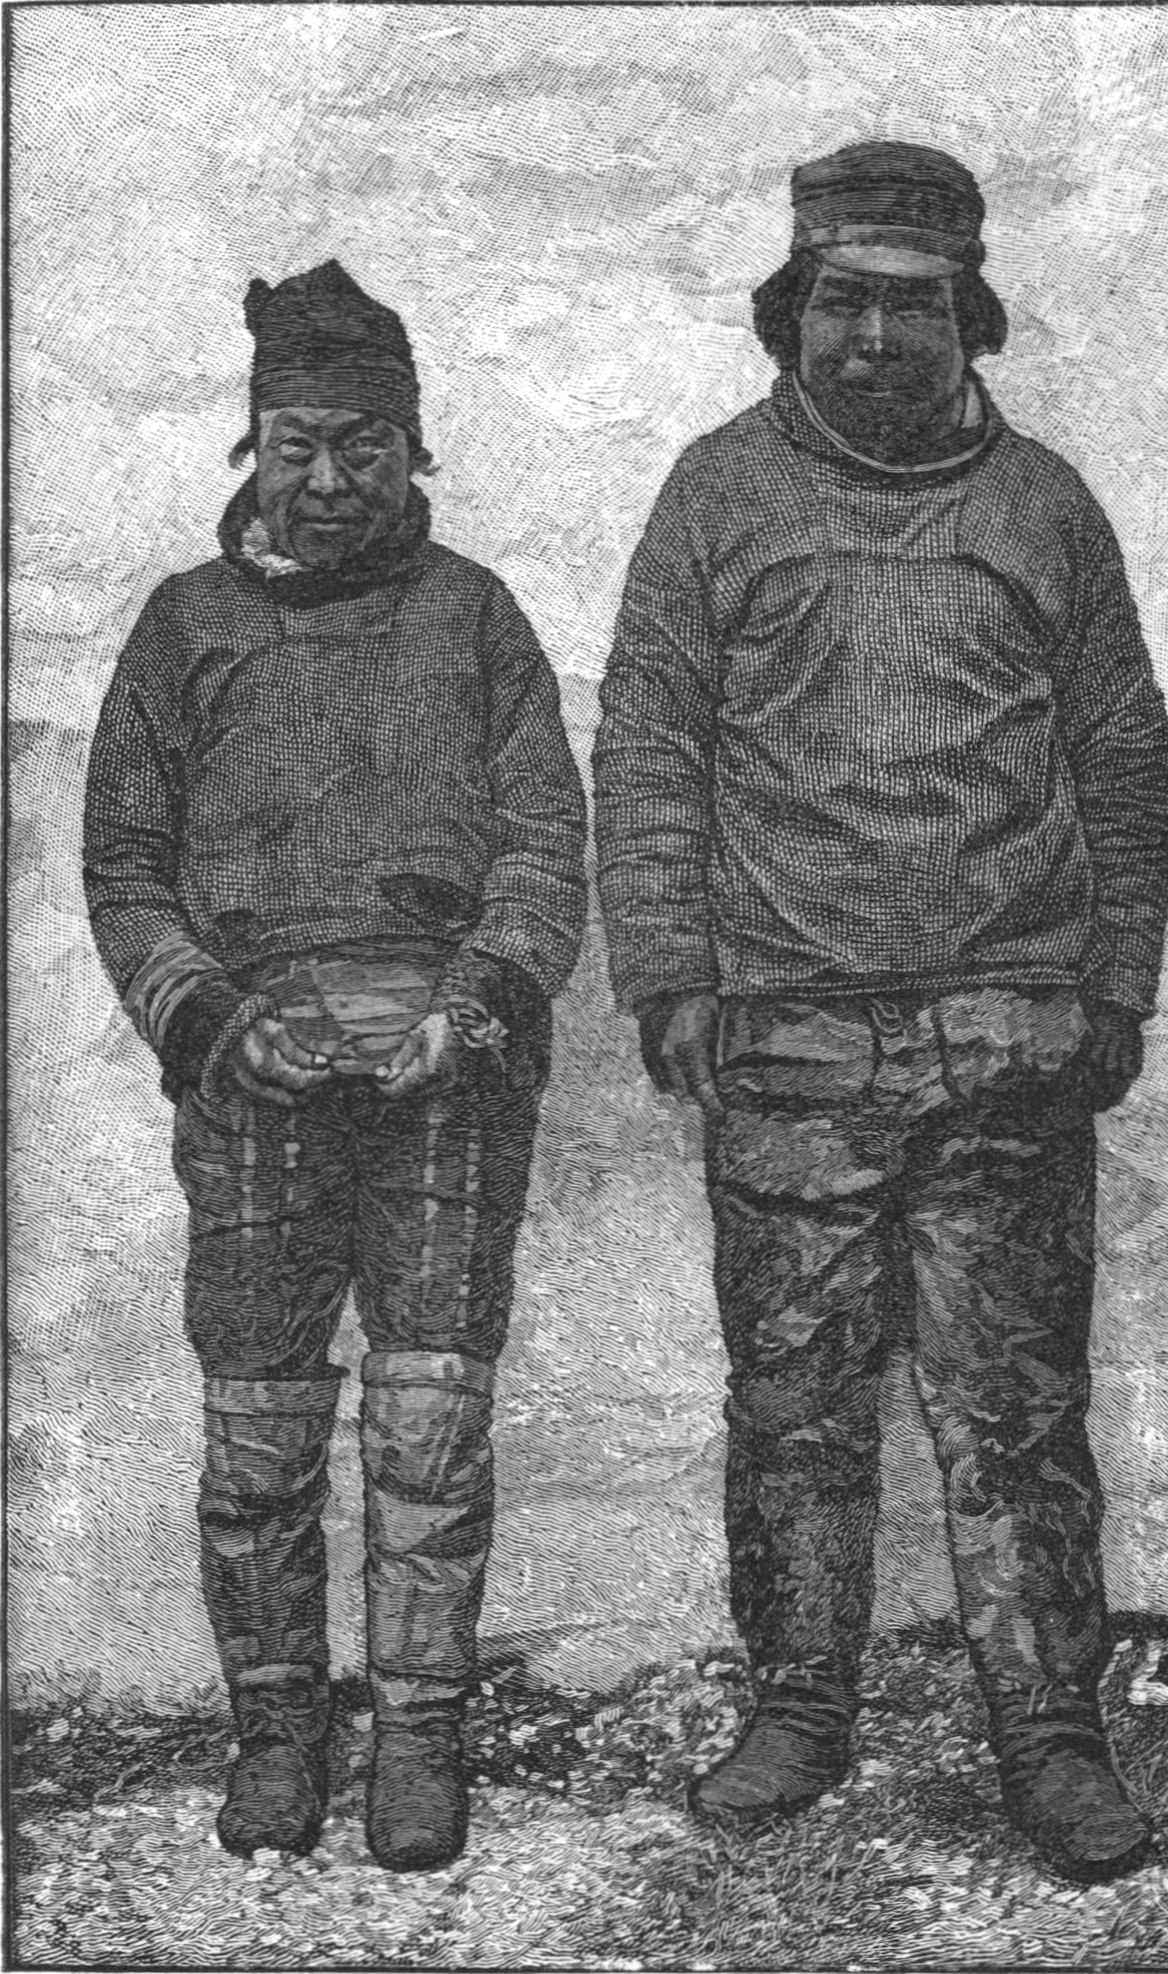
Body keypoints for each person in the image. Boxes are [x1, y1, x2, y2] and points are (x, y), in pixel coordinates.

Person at [593, 141, 1168, 1883]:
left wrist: (1115, 982)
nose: (868, 337)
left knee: (1015, 1410)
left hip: (1008, 1042)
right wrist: (667, 971)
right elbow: (649, 740)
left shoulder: (1046, 507)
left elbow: (1124, 755)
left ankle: (1051, 1732)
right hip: (788, 1045)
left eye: (909, 306)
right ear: (792, 308)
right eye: (839, 300)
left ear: (967, 316)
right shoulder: (718, 495)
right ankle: (799, 1705)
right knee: (793, 1403)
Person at [83, 261, 587, 1872]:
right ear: (254, 446)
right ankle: (279, 1731)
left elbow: (543, 845)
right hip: (251, 1090)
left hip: (446, 1086)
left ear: (413, 450)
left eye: (363, 445)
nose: (328, 478)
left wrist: (476, 1006)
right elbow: (124, 868)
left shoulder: (477, 618)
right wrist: (215, 1022)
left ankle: (422, 1738)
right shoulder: (186, 628)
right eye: (297, 443)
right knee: (259, 1435)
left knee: (430, 1431)